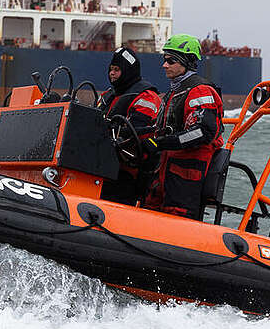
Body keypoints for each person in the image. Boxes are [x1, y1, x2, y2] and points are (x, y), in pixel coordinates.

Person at [142, 34, 224, 219]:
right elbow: (162, 129)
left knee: (177, 217)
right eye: (164, 60)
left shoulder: (199, 91)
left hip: (186, 175)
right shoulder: (175, 91)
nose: (165, 65)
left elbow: (201, 133)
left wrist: (160, 143)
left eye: (171, 61)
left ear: (187, 62)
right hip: (165, 171)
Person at [96, 46, 161, 205]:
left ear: (128, 70)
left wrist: (112, 132)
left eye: (117, 69)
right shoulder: (109, 95)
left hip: (128, 170)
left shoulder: (147, 97)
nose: (112, 73)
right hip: (103, 165)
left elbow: (136, 130)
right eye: (111, 69)